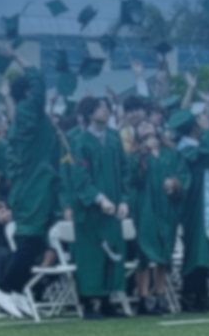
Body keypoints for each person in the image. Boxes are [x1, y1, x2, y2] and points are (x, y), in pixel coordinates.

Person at [0, 51, 61, 319]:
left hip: (27, 188)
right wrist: (19, 58)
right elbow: (38, 79)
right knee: (29, 243)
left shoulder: (19, 120)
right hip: (35, 189)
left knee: (32, 242)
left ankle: (18, 291)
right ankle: (4, 288)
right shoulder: (30, 109)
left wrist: (8, 96)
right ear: (30, 95)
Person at [70, 96, 130, 320]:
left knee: (112, 252)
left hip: (113, 209)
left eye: (106, 107)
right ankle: (88, 304)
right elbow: (80, 177)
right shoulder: (80, 141)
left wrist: (124, 200)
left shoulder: (114, 140)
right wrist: (99, 198)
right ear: (88, 114)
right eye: (99, 108)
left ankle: (107, 302)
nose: (104, 111)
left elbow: (126, 172)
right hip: (91, 212)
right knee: (91, 256)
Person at [128, 120, 190, 315]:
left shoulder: (172, 153)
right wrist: (143, 156)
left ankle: (161, 295)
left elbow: (184, 175)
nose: (145, 126)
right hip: (144, 209)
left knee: (164, 254)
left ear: (157, 128)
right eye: (141, 125)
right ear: (136, 133)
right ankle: (144, 298)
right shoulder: (134, 155)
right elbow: (132, 179)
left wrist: (175, 183)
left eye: (148, 123)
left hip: (167, 209)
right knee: (144, 254)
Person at [172, 104, 209, 313]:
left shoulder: (195, 145)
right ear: (194, 127)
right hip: (194, 207)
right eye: (200, 120)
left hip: (207, 206)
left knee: (205, 249)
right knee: (195, 250)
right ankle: (189, 295)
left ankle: (202, 293)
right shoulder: (185, 148)